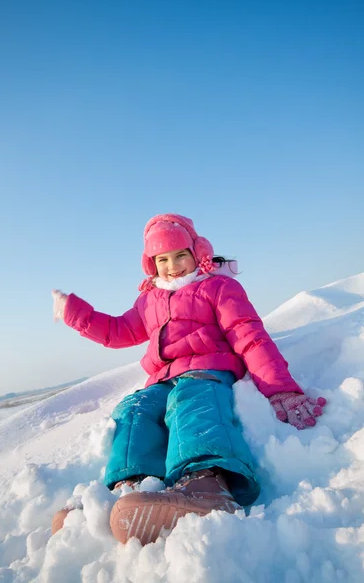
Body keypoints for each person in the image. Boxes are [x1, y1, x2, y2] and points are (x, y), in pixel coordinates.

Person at [51, 213, 326, 545]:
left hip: (208, 368)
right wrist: (76, 313)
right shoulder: (149, 300)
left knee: (191, 400)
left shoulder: (217, 287)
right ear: (151, 264)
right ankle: (131, 486)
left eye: (181, 254)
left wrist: (282, 389)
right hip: (162, 378)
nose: (174, 265)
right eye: (163, 259)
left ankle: (207, 481)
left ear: (197, 252)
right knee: (135, 408)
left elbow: (249, 337)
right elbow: (117, 331)